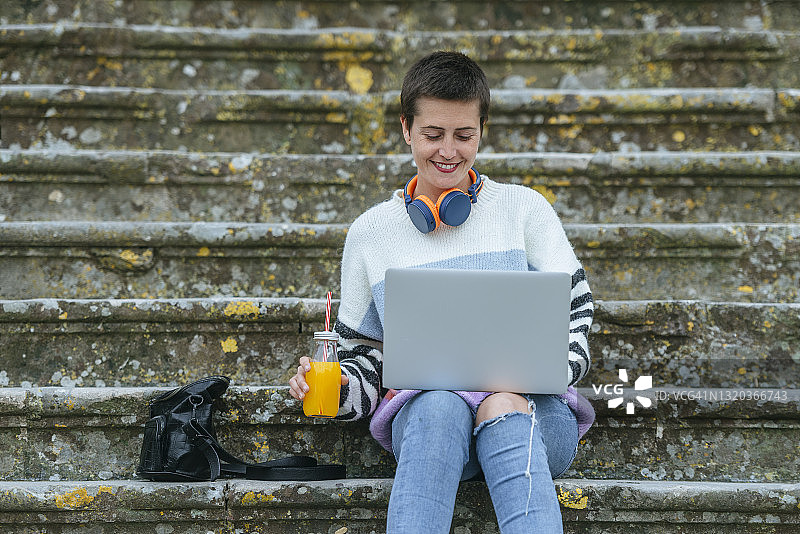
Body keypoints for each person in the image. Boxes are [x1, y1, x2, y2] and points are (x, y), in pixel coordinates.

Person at [289, 51, 595, 533]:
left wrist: (531, 376)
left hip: (533, 419)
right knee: (436, 403)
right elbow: (363, 357)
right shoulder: (370, 234)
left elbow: (576, 315)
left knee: (501, 404)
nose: (448, 151)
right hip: (432, 429)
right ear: (407, 129)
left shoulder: (524, 210)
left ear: (482, 130)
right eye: (433, 135)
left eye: (464, 135)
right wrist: (343, 386)